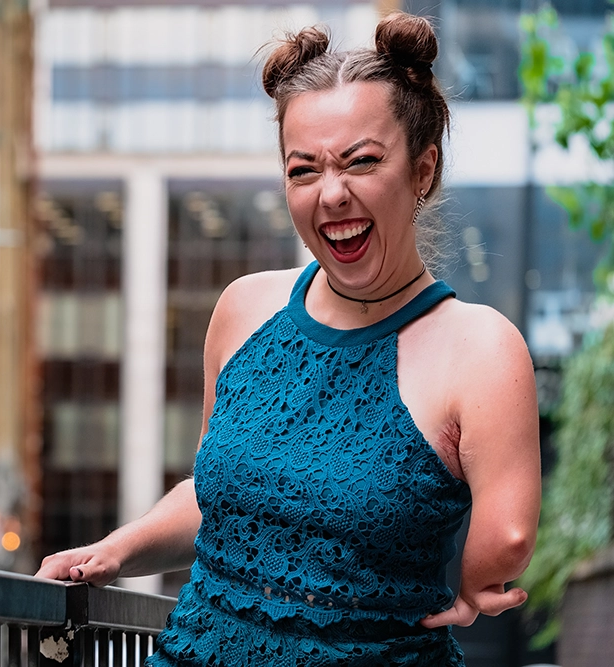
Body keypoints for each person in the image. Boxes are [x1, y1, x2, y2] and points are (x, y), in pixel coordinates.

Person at [36, 11, 541, 666]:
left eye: (361, 161)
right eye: (303, 170)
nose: (331, 193)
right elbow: (217, 492)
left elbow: (508, 533)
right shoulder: (243, 306)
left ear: (423, 170)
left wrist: (480, 574)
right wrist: (118, 549)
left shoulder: (480, 346)